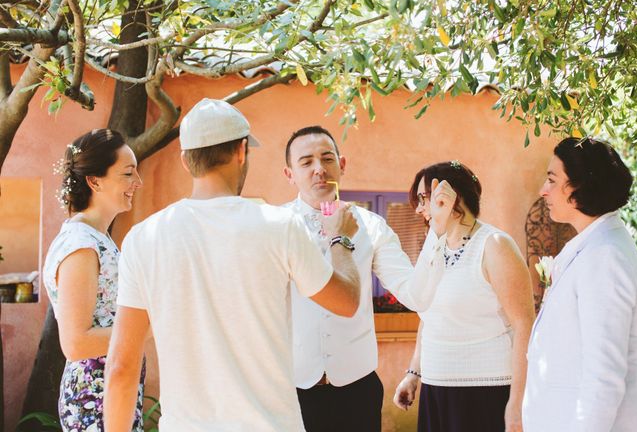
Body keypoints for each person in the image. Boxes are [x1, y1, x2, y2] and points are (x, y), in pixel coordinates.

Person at [103, 99, 362, 432]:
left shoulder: (143, 239)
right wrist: (341, 238)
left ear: (185, 161)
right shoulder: (279, 225)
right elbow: (346, 302)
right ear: (242, 151)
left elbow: (121, 367)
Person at [283, 126, 445, 432]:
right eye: (306, 162)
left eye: (327, 158)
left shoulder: (373, 227)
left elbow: (415, 294)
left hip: (357, 390)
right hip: (292, 390)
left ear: (341, 165)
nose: (319, 169)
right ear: (289, 174)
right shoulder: (275, 228)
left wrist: (437, 231)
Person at [393, 161, 535, 432]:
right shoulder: (433, 247)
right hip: (436, 389)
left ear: (449, 196)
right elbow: (429, 316)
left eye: (423, 198)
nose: (419, 208)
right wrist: (414, 374)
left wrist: (517, 403)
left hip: (485, 390)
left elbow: (524, 324)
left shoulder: (494, 245)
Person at [523, 137, 637, 431]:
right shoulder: (592, 246)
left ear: (578, 186)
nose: (543, 191)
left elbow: (604, 375)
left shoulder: (606, 256)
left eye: (552, 180)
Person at [42, 129, 144, 431]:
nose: (137, 182)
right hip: (94, 399)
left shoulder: (97, 238)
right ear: (95, 181)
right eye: (128, 173)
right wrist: (149, 323)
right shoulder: (81, 245)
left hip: (112, 390)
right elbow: (76, 342)